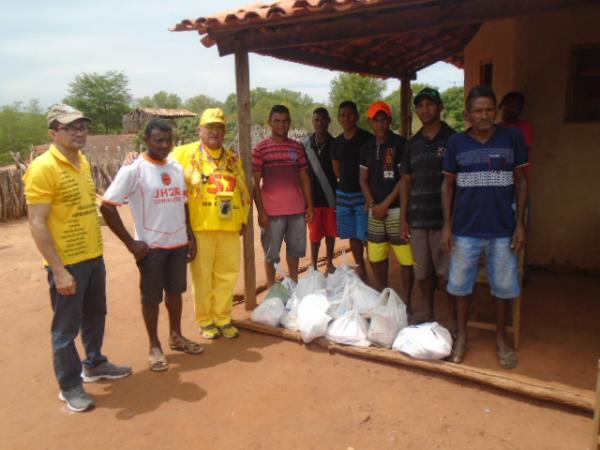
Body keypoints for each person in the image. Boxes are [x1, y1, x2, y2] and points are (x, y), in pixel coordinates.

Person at [23, 104, 131, 413]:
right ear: (53, 133)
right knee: (65, 329)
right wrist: (58, 270)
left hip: (93, 255)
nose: (79, 132)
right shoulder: (44, 168)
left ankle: (95, 363)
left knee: (96, 314)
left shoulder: (81, 162)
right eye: (71, 127)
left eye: (82, 126)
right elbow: (37, 222)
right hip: (67, 262)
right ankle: (69, 385)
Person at [100, 119, 204, 371]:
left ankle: (176, 336)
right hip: (151, 248)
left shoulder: (176, 167)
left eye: (169, 140)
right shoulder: (134, 170)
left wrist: (189, 235)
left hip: (177, 244)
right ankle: (154, 346)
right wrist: (131, 243)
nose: (165, 145)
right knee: (151, 298)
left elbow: (183, 202)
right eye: (159, 140)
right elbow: (107, 206)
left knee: (176, 293)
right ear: (146, 140)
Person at [441, 86, 528, 369]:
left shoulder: (512, 138)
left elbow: (522, 181)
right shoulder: (457, 143)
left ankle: (501, 338)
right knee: (460, 286)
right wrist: (447, 226)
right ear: (467, 115)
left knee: (503, 287)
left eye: (489, 109)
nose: (484, 115)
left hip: (503, 229)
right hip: (465, 229)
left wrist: (521, 225)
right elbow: (447, 185)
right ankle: (463, 336)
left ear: (496, 111)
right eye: (478, 111)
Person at [171, 108, 251, 340]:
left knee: (227, 274)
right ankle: (206, 320)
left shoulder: (232, 158)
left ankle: (223, 318)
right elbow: (156, 160)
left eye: (220, 128)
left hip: (228, 226)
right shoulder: (184, 153)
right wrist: (133, 157)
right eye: (210, 127)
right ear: (200, 130)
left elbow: (243, 188)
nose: (215, 132)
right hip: (201, 227)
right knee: (203, 277)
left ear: (225, 131)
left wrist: (243, 218)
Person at [400, 88, 456, 322]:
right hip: (418, 219)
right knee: (422, 273)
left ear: (440, 107)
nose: (425, 109)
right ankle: (428, 313)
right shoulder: (412, 144)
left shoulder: (454, 140)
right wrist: (404, 218)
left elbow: (458, 184)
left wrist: (452, 222)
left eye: (430, 104)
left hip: (445, 221)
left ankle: (452, 320)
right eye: (420, 105)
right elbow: (406, 182)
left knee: (447, 275)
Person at [252, 104, 313, 286]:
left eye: (285, 121)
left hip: (296, 210)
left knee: (294, 252)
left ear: (290, 123)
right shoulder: (260, 149)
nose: (282, 125)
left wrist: (309, 205)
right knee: (271, 254)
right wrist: (261, 212)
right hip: (272, 213)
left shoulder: (297, 147)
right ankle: (272, 288)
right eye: (277, 121)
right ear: (269, 122)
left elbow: (304, 176)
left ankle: (294, 284)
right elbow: (255, 183)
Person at [359, 101, 414, 300]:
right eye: (376, 120)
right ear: (370, 122)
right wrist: (373, 204)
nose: (380, 124)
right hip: (375, 211)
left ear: (390, 121)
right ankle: (384, 298)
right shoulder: (366, 147)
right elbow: (362, 179)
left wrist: (385, 205)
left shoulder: (401, 144)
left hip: (398, 211)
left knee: (406, 261)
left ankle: (406, 303)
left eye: (384, 120)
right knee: (376, 257)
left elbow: (404, 180)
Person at [331, 101, 373, 280]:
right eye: (343, 115)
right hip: (344, 196)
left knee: (368, 236)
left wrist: (369, 195)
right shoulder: (337, 142)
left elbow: (374, 169)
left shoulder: (368, 139)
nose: (347, 118)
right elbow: (337, 170)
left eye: (350, 114)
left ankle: (373, 266)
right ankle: (361, 268)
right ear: (339, 118)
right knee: (354, 236)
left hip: (363, 196)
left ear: (357, 116)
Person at [303, 107, 337, 274]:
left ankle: (330, 262)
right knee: (314, 236)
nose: (320, 123)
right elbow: (303, 175)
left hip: (331, 197)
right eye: (316, 120)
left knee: (331, 233)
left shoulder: (335, 144)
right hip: (313, 199)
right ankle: (314, 266)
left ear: (329, 121)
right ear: (313, 122)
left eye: (323, 120)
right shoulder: (306, 146)